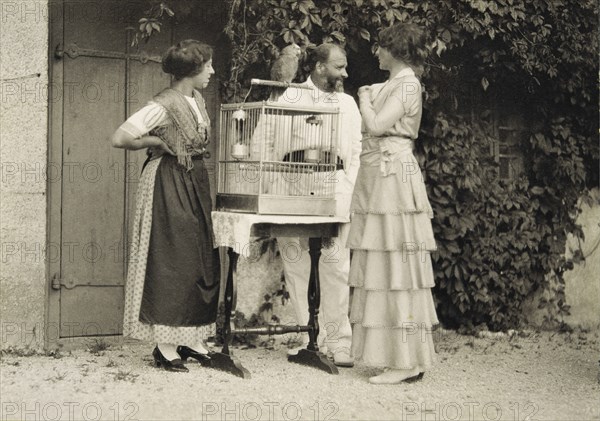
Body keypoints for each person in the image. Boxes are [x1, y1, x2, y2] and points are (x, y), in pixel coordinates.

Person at [111, 40, 220, 372]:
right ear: (193, 70)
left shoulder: (196, 100)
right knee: (172, 257)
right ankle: (165, 345)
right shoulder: (164, 103)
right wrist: (157, 141)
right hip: (167, 182)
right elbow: (121, 137)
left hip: (195, 180)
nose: (212, 71)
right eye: (208, 66)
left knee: (200, 258)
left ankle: (192, 338)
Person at [347, 23, 439, 384]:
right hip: (377, 176)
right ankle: (396, 357)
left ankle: (406, 361)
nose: (377, 52)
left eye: (383, 47)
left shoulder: (407, 83)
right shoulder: (390, 84)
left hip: (393, 177)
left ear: (397, 49)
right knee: (383, 265)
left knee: (398, 264)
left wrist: (365, 99)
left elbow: (377, 125)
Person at [263, 44, 362, 367]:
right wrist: (273, 187)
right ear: (320, 67)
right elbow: (264, 143)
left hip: (333, 186)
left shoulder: (347, 104)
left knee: (336, 263)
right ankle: (310, 337)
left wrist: (348, 187)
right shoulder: (289, 96)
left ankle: (339, 342)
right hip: (293, 183)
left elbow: (357, 152)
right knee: (295, 260)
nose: (344, 74)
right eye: (339, 67)